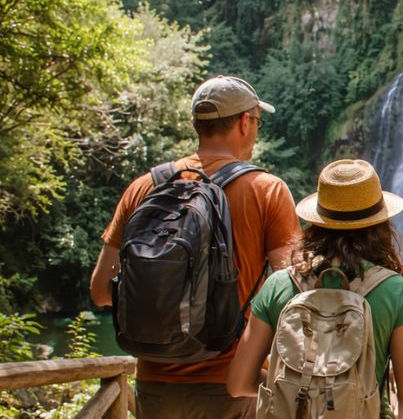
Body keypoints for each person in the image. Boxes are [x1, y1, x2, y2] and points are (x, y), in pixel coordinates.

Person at [89, 75, 301, 418]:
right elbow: (295, 298)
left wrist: (166, 298)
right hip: (234, 386)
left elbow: (100, 291)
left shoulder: (143, 188)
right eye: (258, 121)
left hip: (155, 387)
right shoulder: (267, 190)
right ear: (245, 122)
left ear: (195, 124)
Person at [227, 159, 403, 419]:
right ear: (380, 224)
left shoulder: (278, 285)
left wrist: (294, 389)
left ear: (317, 222)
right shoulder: (397, 292)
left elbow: (238, 384)